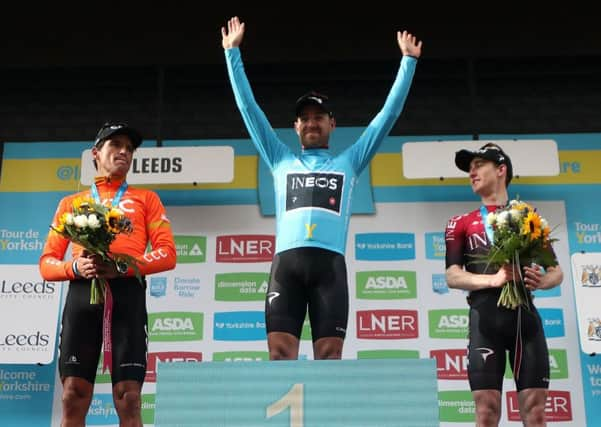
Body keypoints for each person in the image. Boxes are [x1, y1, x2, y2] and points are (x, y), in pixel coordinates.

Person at [221, 16, 422, 360]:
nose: (312, 122)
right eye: (306, 118)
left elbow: (387, 117)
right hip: (287, 268)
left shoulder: (350, 161)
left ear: (332, 123)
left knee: (329, 359)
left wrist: (408, 62)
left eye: (319, 117)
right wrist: (232, 54)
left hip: (329, 268)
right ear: (296, 126)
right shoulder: (279, 158)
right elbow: (248, 110)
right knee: (280, 355)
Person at [39, 122, 177, 427]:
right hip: (82, 295)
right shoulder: (70, 204)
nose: (124, 152)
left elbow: (168, 254)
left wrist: (122, 267)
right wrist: (74, 267)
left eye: (129, 148)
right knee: (73, 395)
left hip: (126, 296)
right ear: (96, 154)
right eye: (115, 145)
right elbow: (47, 263)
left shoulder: (147, 199)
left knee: (128, 398)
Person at [444, 142, 563, 426]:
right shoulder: (460, 223)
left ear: (501, 170)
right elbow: (453, 276)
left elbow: (555, 271)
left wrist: (542, 280)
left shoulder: (527, 218)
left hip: (526, 322)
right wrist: (494, 279)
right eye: (469, 169)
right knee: (486, 412)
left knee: (534, 414)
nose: (471, 173)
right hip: (485, 323)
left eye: (478, 166)